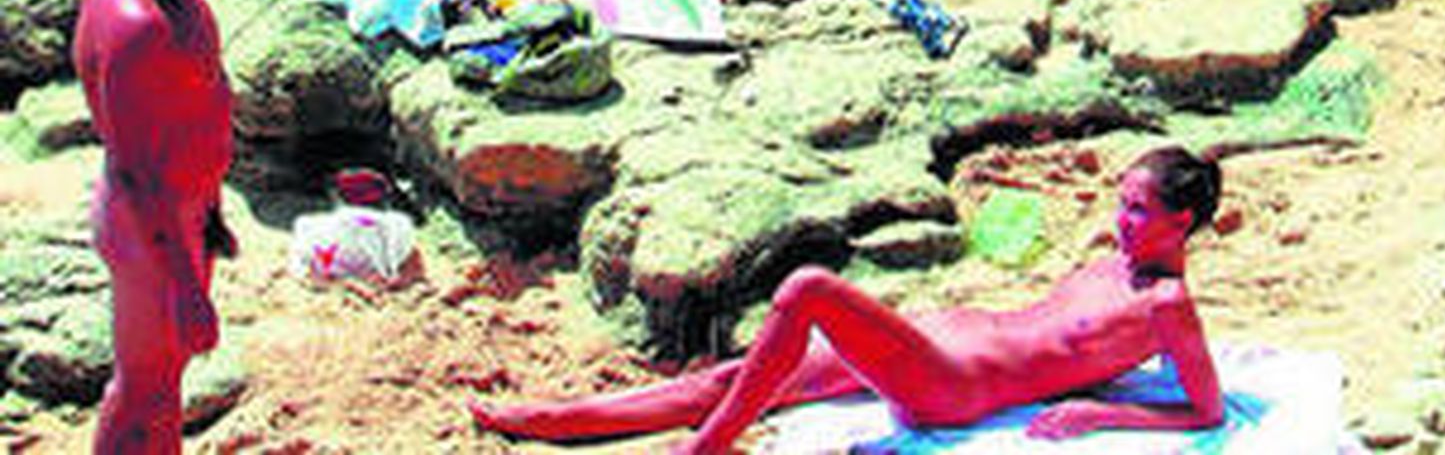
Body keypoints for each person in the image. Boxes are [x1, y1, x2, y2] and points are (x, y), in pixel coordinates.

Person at [471, 145, 1225, 448]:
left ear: (1180, 221)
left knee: (806, 289)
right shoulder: (1114, 264)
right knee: (736, 377)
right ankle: (554, 419)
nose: (1118, 219)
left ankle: (709, 446)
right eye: (1120, 202)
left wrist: (1102, 412)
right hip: (939, 343)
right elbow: (1065, 335)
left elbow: (1205, 410)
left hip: (954, 385)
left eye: (1136, 210)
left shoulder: (1168, 307)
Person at [74, 0, 237, 454]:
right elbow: (140, 172)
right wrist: (185, 287)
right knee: (145, 389)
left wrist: (211, 209)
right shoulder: (138, 28)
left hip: (182, 210)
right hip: (152, 228)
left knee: (160, 385)